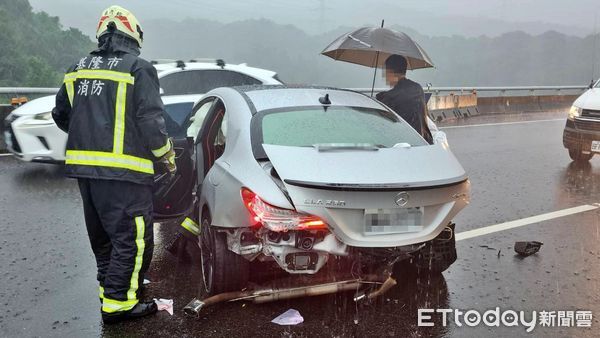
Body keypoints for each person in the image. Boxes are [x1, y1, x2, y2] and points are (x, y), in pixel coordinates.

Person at [52, 5, 176, 324]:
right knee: (132, 238)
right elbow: (150, 121)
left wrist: (91, 138)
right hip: (125, 174)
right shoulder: (138, 68)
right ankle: (120, 303)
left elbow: (61, 115)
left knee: (103, 236)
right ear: (133, 34)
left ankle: (109, 287)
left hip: (84, 170)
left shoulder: (76, 68)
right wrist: (166, 156)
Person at [376, 54, 433, 144]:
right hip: (424, 141)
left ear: (390, 72)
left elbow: (383, 125)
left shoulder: (390, 97)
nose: (385, 77)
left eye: (385, 73)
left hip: (404, 144)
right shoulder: (418, 88)